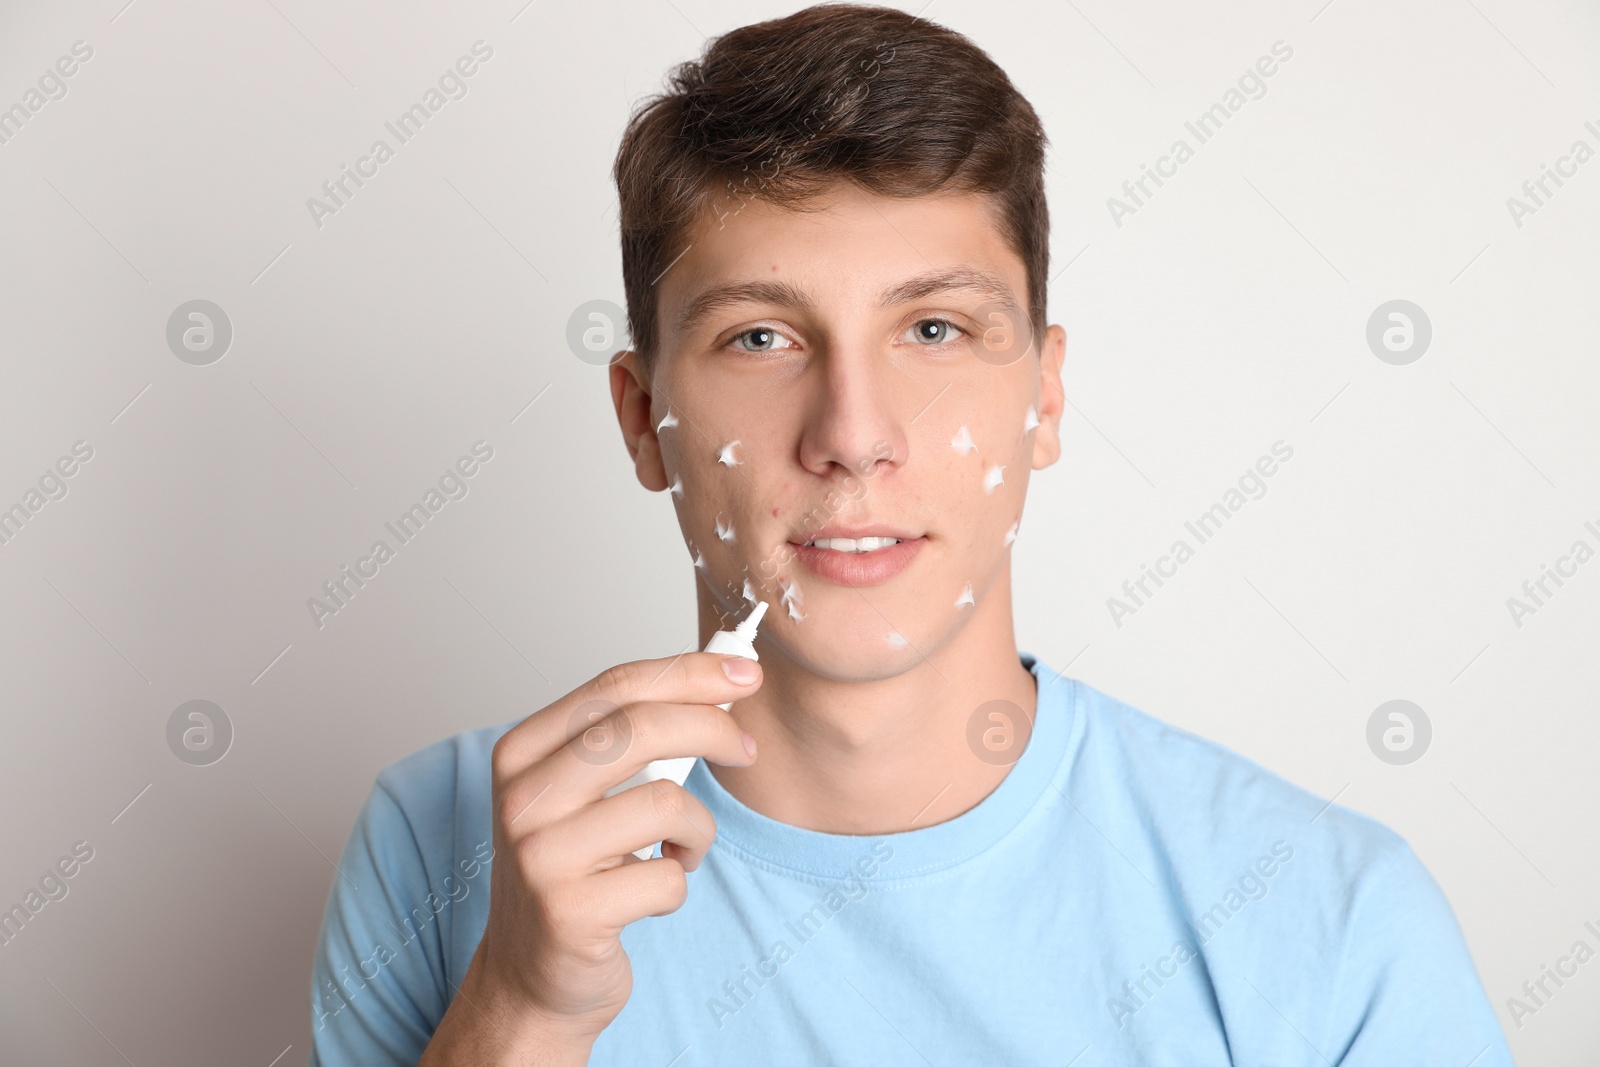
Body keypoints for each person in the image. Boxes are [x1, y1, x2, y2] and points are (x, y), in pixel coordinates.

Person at [307, 5, 1513, 1064]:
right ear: (643, 421)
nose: (853, 434)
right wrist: (520, 1018)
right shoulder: (450, 840)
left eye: (933, 330)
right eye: (761, 337)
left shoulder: (1329, 912)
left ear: (1042, 398)